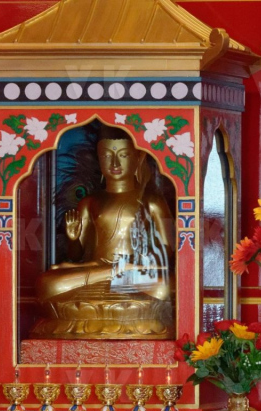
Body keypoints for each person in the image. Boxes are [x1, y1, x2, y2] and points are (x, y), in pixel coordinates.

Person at [31, 125, 175, 339]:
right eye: (107, 156)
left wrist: (140, 262)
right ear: (98, 159)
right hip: (98, 271)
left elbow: (168, 250)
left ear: (138, 158)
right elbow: (76, 256)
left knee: (164, 288)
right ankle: (113, 272)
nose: (114, 163)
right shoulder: (90, 202)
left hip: (134, 275)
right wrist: (73, 239)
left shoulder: (152, 201)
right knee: (47, 283)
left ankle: (116, 273)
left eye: (123, 155)